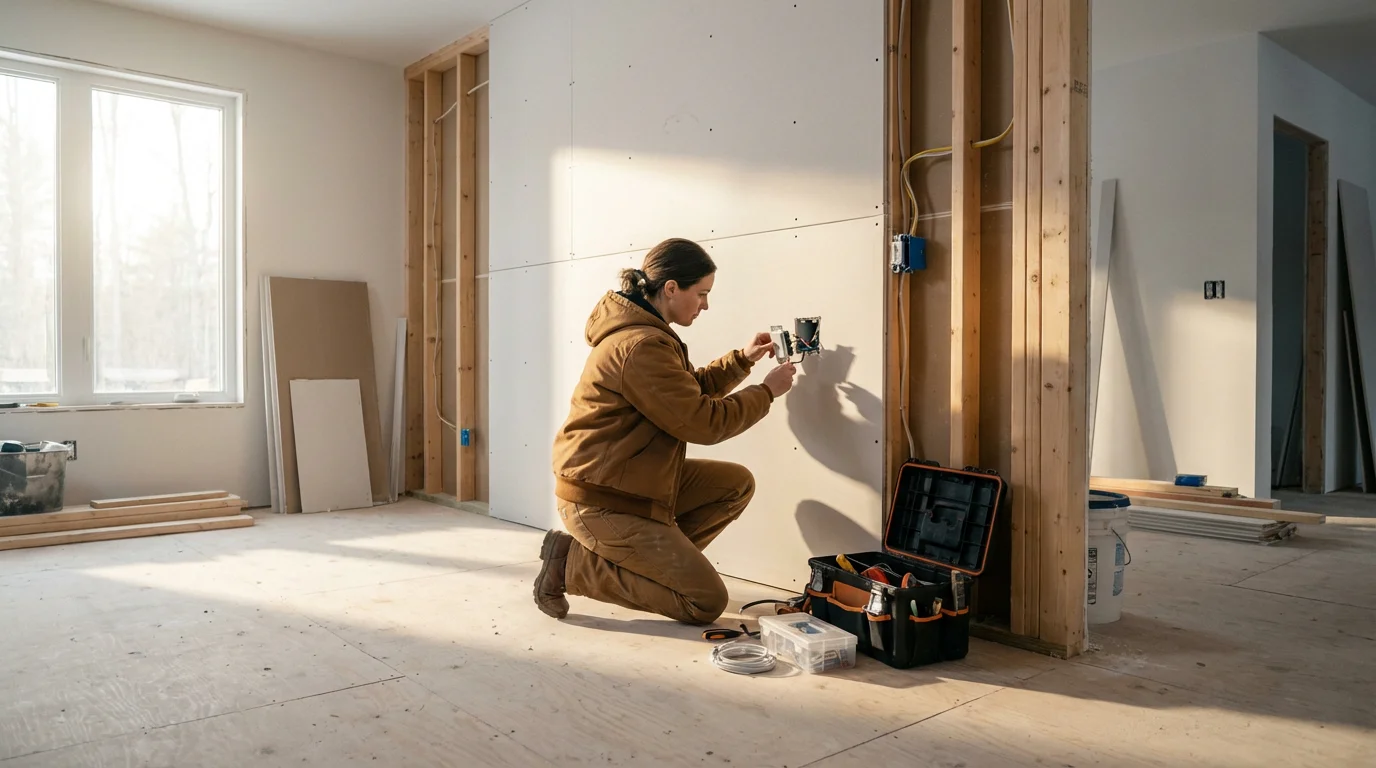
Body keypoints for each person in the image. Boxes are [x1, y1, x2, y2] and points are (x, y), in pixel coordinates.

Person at [533, 237, 797, 625]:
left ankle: (662, 569)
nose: (705, 304)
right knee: (705, 603)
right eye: (702, 293)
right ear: (671, 288)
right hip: (601, 498)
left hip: (629, 481)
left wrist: (742, 361)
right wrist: (766, 392)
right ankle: (570, 565)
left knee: (734, 484)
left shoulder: (646, 334)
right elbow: (703, 422)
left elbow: (682, 394)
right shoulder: (640, 345)